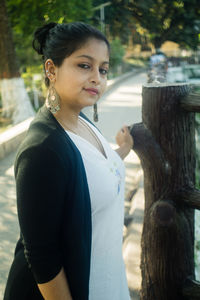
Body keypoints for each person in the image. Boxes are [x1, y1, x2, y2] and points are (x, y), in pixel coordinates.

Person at [3, 22, 133, 300]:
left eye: (103, 69)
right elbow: (42, 256)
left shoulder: (80, 122)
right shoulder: (42, 149)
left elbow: (89, 178)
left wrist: (120, 152)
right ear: (51, 69)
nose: (97, 77)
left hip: (106, 278)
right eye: (84, 66)